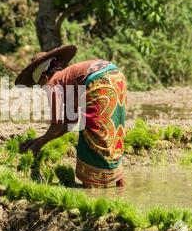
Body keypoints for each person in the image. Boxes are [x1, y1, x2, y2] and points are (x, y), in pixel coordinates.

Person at [16, 45, 126, 188]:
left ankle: (90, 189)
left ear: (44, 77)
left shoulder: (53, 83)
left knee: (90, 136)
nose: (42, 88)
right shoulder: (67, 77)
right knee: (113, 130)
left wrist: (38, 144)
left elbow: (57, 125)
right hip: (116, 75)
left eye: (40, 85)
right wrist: (40, 139)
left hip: (99, 81)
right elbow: (70, 122)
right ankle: (120, 186)